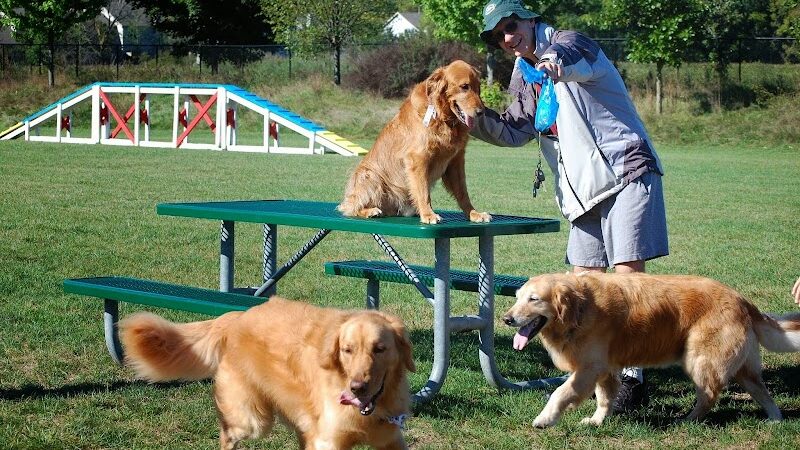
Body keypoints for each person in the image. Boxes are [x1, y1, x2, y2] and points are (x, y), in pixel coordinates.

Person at [472, 0, 669, 413]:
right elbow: (515, 130)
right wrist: (469, 119)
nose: (507, 38)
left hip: (625, 169)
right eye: (498, 35)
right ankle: (598, 374)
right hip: (581, 190)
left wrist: (551, 62)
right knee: (581, 288)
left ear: (530, 19)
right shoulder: (524, 72)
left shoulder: (568, 43)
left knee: (626, 281)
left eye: (511, 25)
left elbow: (570, 56)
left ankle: (633, 379)